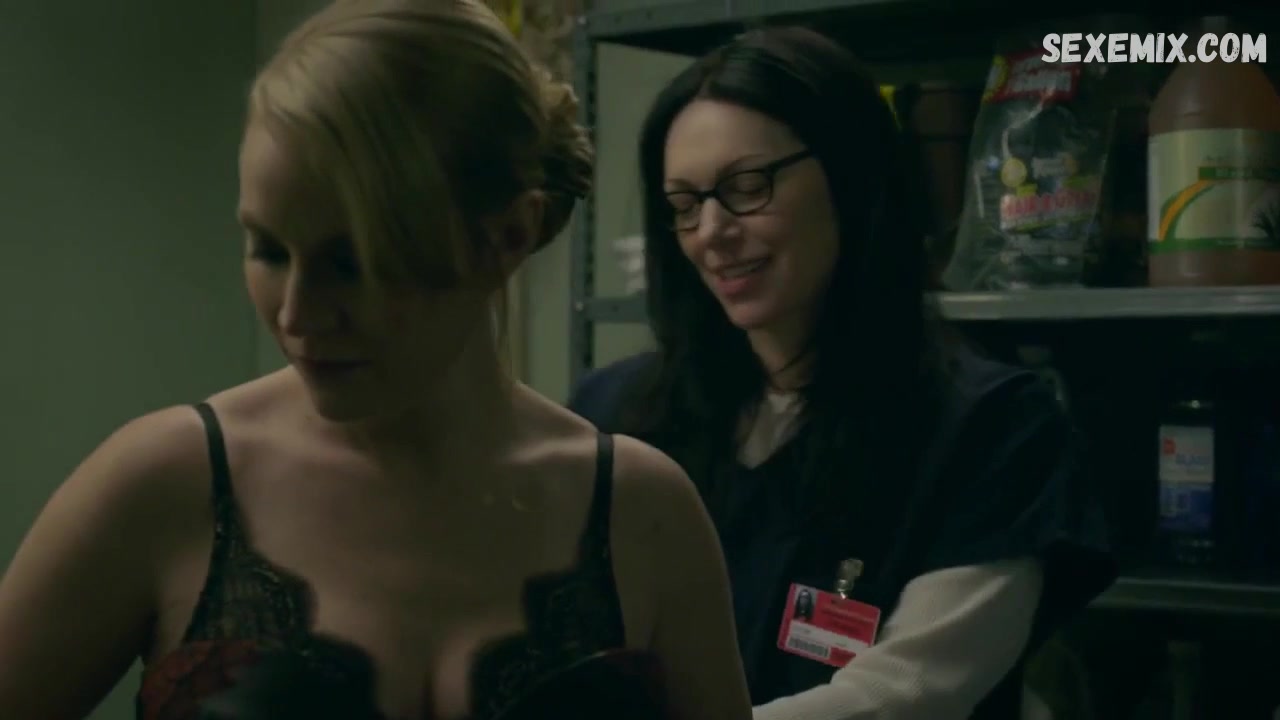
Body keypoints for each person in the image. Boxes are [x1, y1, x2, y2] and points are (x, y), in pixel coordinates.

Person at [0, 2, 753, 719]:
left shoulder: (643, 516)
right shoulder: (167, 486)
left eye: (352, 261)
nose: (296, 315)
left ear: (507, 237)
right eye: (269, 250)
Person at [568, 26, 1116, 720]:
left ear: (852, 179)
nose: (710, 231)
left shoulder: (991, 427)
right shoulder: (616, 415)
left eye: (747, 186)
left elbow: (902, 697)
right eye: (683, 205)